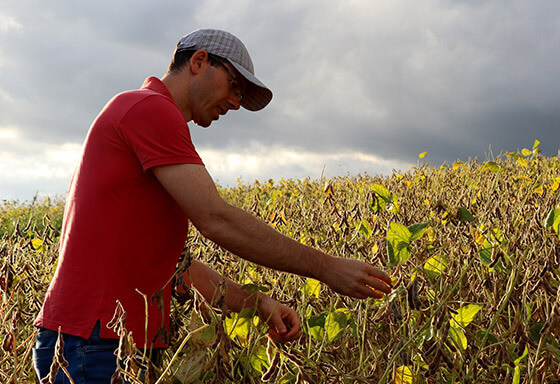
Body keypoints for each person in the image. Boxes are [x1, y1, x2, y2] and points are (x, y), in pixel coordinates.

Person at [32, 28, 393, 383]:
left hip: (100, 344)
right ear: (200, 62)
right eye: (235, 86)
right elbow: (216, 218)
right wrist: (327, 268)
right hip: (93, 346)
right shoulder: (148, 109)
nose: (236, 103)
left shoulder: (150, 120)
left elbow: (176, 270)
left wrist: (260, 305)